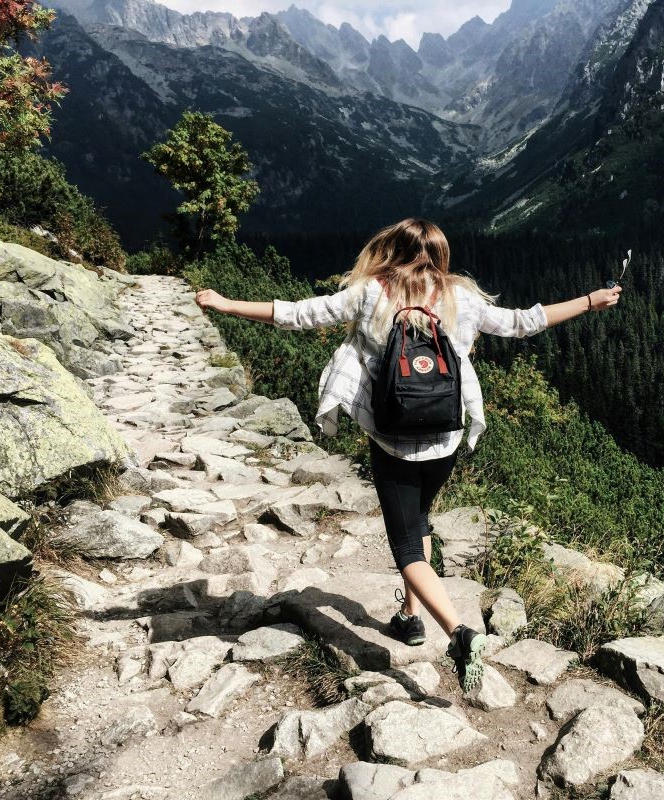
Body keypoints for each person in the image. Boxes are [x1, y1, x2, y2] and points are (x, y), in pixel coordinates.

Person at [195, 218, 622, 692]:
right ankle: (408, 616)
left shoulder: (369, 293)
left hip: (393, 440)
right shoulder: (463, 297)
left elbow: (299, 313)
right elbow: (525, 323)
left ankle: (459, 634)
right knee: (420, 521)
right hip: (445, 438)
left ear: (391, 251)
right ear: (440, 255)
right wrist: (590, 300)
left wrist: (227, 303)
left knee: (405, 544)